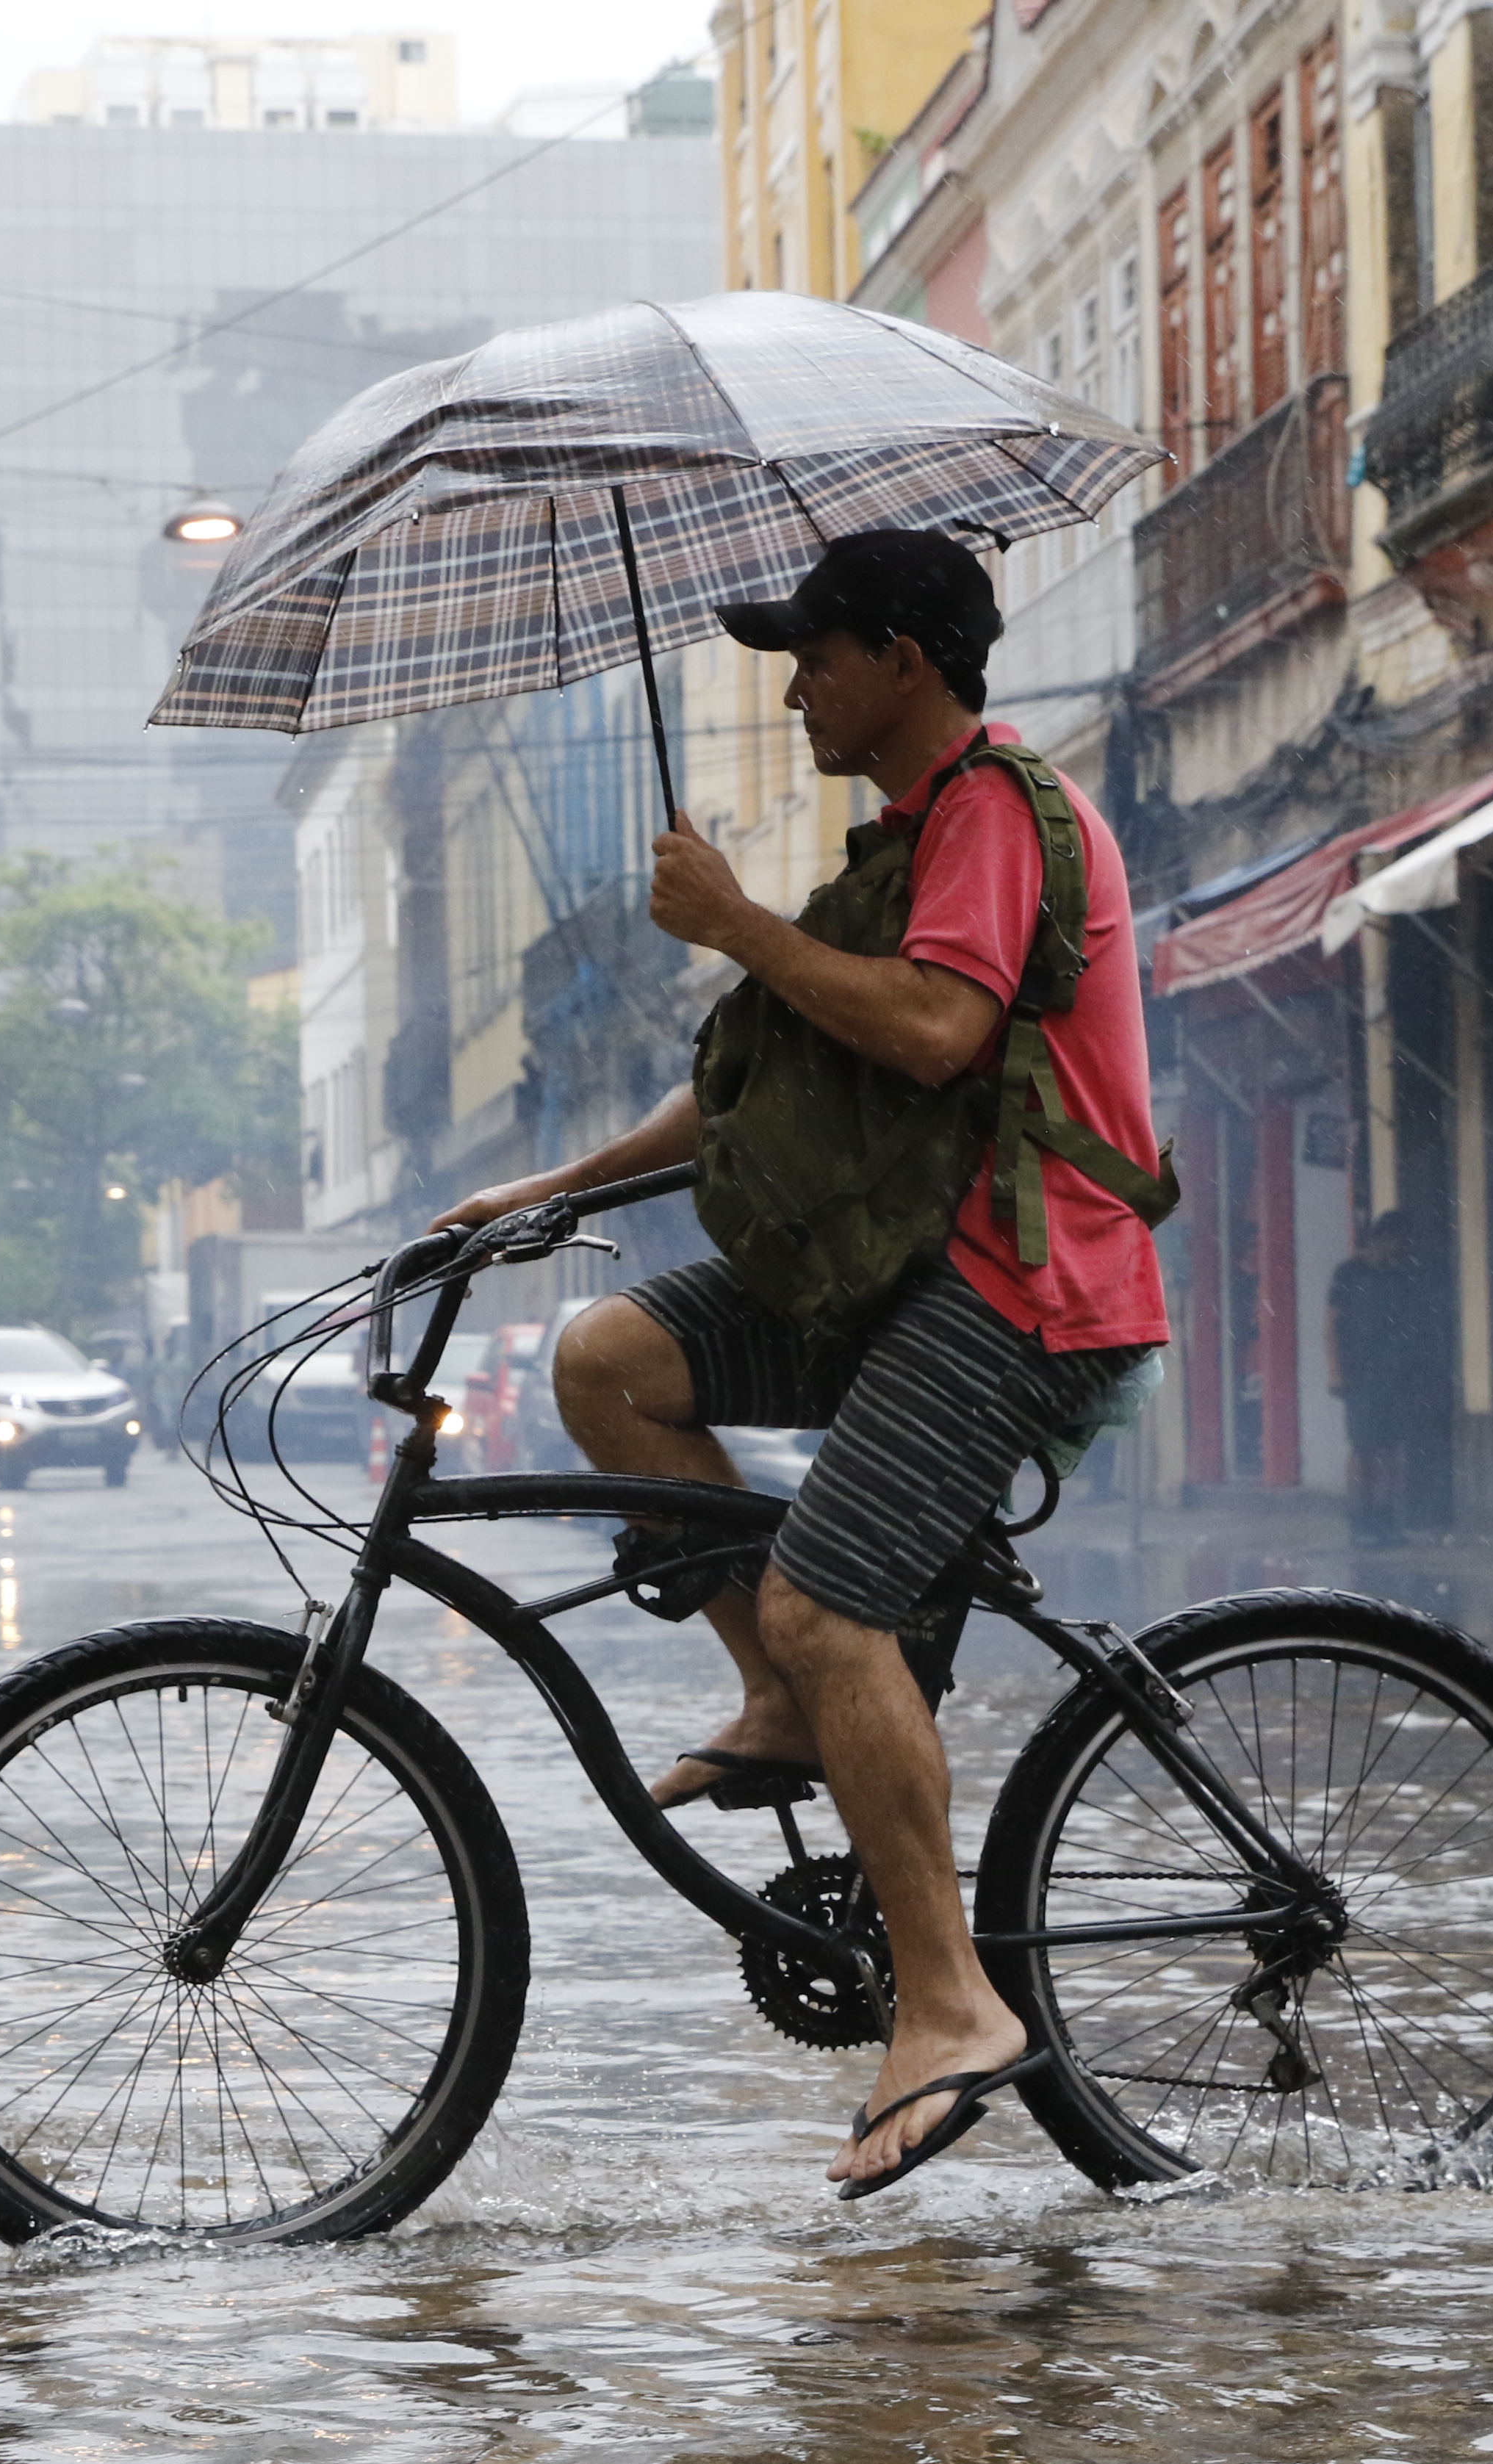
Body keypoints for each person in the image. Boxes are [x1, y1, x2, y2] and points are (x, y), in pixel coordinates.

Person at [435, 530, 1170, 2198]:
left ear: (902, 657)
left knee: (832, 1600)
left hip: (1023, 1278)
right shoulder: (891, 847)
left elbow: (925, 1027)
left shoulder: (986, 810)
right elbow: (767, 1087)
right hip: (902, 1264)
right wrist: (544, 1202)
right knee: (610, 1359)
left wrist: (738, 920)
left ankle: (949, 2007)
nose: (792, 686)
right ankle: (779, 1697)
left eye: (815, 655)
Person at [1326, 1209, 1446, 1546]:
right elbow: (1333, 1324)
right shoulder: (1349, 1274)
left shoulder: (1401, 1275)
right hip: (1361, 1373)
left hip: (1396, 1372)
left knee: (1392, 1448)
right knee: (1363, 1448)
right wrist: (1337, 1370)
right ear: (1386, 1238)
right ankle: (1360, 1517)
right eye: (1401, 1241)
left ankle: (1385, 1517)